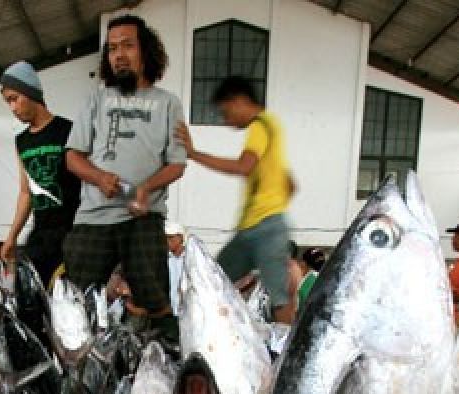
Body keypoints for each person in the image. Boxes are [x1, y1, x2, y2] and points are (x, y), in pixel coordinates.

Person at [64, 14, 186, 342]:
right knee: (76, 304)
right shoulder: (95, 100)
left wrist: (146, 188)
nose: (119, 54)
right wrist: (99, 176)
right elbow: (73, 157)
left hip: (143, 218)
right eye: (112, 48)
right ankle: (75, 374)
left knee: (155, 300)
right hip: (92, 218)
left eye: (127, 46)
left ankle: (167, 368)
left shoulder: (168, 104)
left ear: (145, 51)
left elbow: (177, 164)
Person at [178, 75, 296, 323]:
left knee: (276, 297)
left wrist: (194, 154)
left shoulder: (259, 126)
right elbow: (289, 183)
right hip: (255, 227)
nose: (226, 120)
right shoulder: (273, 128)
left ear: (239, 101)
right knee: (215, 280)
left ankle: (287, 349)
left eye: (226, 111)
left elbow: (244, 167)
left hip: (264, 228)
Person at [0, 61, 81, 283]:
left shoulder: (68, 130)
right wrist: (12, 236)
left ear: (31, 93)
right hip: (41, 233)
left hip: (72, 230)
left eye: (15, 99)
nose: (13, 108)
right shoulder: (21, 141)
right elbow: (26, 192)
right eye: (8, 102)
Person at [165, 219, 185, 314]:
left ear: (181, 238)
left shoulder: (190, 258)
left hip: (186, 311)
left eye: (171, 237)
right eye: (165, 238)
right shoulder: (163, 258)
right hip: (168, 312)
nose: (167, 241)